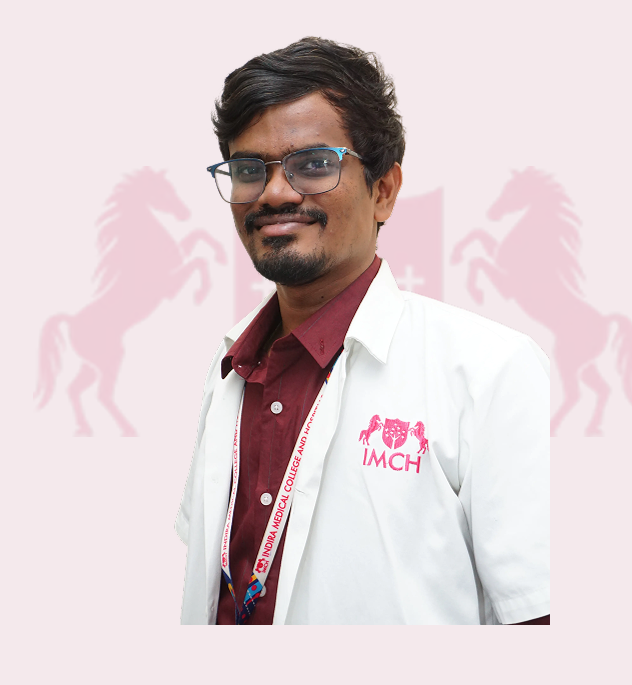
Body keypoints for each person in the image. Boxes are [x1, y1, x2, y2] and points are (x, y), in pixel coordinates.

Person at [175, 37, 550, 625]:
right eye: (249, 171)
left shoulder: (490, 370)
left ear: (384, 190)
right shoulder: (230, 372)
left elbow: (536, 615)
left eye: (313, 165)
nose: (274, 193)